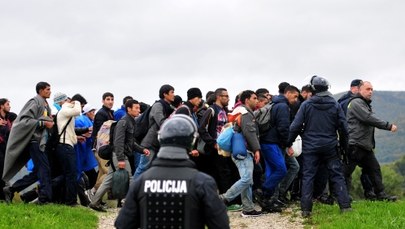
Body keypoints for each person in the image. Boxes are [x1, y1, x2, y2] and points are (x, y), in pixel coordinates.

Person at [115, 114, 229, 229]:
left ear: (160, 139)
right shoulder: (203, 182)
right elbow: (221, 225)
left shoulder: (141, 182)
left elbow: (123, 224)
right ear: (191, 141)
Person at [288, 76, 352, 217]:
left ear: (313, 89)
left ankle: (306, 210)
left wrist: (288, 143)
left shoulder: (306, 105)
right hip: (330, 146)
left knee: (308, 176)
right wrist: (345, 148)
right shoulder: (334, 104)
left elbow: (295, 127)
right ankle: (345, 207)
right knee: (337, 175)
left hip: (310, 147)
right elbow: (344, 128)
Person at [89, 99, 150, 212]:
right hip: (119, 155)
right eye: (136, 108)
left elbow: (130, 142)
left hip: (119, 155)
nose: (138, 110)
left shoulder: (131, 121)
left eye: (138, 108)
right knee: (131, 178)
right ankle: (134, 204)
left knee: (109, 179)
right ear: (129, 109)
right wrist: (121, 159)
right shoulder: (124, 122)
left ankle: (94, 202)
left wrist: (142, 150)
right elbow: (118, 142)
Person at [344, 81, 397, 201]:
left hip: (365, 146)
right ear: (359, 90)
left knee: (374, 169)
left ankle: (381, 195)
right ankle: (341, 196)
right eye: (368, 89)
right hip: (355, 144)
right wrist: (388, 126)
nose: (370, 91)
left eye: (372, 89)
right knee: (346, 172)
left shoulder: (364, 103)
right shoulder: (356, 103)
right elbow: (368, 118)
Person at [3, 82, 54, 204]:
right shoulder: (34, 102)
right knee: (44, 169)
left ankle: (11, 189)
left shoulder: (45, 104)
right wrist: (43, 123)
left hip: (41, 141)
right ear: (40, 91)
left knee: (38, 172)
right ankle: (44, 199)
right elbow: (24, 121)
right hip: (34, 141)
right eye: (47, 89)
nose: (50, 91)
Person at [219, 90, 262, 217]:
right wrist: (257, 149)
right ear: (247, 100)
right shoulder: (245, 113)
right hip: (244, 151)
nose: (257, 101)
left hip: (240, 150)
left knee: (247, 179)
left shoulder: (239, 111)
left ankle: (248, 209)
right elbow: (250, 132)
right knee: (247, 178)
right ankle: (223, 198)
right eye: (254, 98)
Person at [258, 85, 300, 212]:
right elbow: (283, 128)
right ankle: (262, 192)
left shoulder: (275, 103)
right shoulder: (283, 106)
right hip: (272, 143)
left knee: (271, 171)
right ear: (288, 93)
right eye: (295, 96)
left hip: (267, 141)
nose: (296, 99)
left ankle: (268, 201)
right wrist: (288, 144)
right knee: (281, 170)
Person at [134, 84, 175, 177]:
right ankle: (133, 190)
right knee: (143, 168)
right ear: (165, 94)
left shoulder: (169, 107)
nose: (174, 95)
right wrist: (174, 122)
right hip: (150, 143)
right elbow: (161, 122)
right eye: (172, 92)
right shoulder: (158, 106)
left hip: (158, 144)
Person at [55, 94, 82, 206]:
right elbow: (77, 111)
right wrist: (77, 101)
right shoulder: (64, 109)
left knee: (67, 174)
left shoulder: (63, 111)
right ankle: (71, 201)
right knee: (71, 174)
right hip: (65, 145)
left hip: (64, 145)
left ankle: (64, 199)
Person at [0, 98, 15, 200]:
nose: (9, 106)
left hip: (6, 148)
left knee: (4, 172)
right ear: (1, 106)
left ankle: (3, 196)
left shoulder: (10, 116)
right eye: (7, 104)